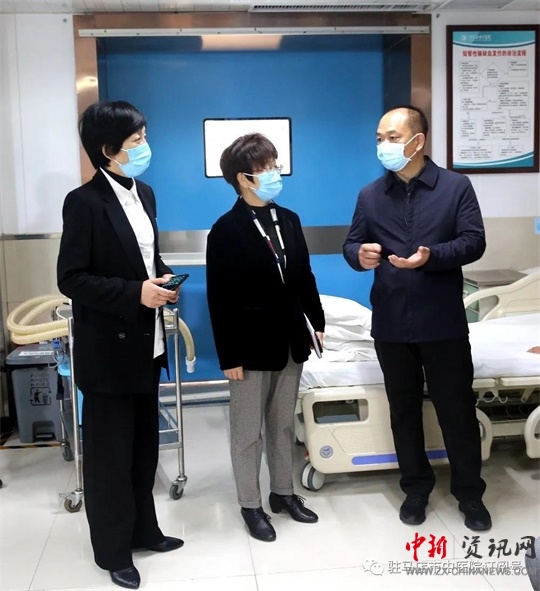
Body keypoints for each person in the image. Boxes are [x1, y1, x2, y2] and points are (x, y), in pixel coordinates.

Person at [343, 105, 492, 532]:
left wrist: (432, 256)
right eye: (379, 139)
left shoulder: (455, 187)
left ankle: (470, 494)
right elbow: (352, 245)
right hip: (391, 322)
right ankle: (416, 489)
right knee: (404, 411)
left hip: (441, 321)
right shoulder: (371, 195)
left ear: (418, 141)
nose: (383, 146)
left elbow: (474, 241)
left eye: (392, 137)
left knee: (456, 410)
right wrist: (359, 254)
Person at [57, 100, 184, 590]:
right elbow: (72, 278)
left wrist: (162, 280)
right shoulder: (84, 202)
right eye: (136, 141)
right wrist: (135, 293)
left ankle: (144, 530)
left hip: (147, 346)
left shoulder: (144, 193)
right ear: (108, 150)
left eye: (144, 136)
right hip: (108, 351)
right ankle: (112, 551)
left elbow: (145, 258)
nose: (145, 146)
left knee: (143, 449)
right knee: (109, 458)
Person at [206, 133, 324, 542]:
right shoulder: (225, 230)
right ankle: (250, 504)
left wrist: (316, 320)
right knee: (247, 432)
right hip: (249, 348)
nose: (275, 173)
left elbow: (304, 276)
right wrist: (229, 356)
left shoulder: (288, 219)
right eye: (266, 167)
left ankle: (283, 493)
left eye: (275, 164)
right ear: (243, 178)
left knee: (282, 426)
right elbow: (220, 299)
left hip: (290, 341)